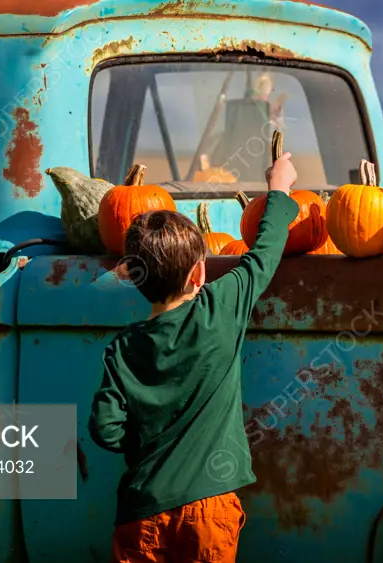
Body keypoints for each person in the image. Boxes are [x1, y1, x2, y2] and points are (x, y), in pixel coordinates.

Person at [88, 148, 300, 563]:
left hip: (142, 509)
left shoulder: (122, 349)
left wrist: (146, 444)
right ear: (199, 274)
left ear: (133, 276)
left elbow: (104, 430)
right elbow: (264, 254)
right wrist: (278, 188)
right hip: (208, 508)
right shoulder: (219, 309)